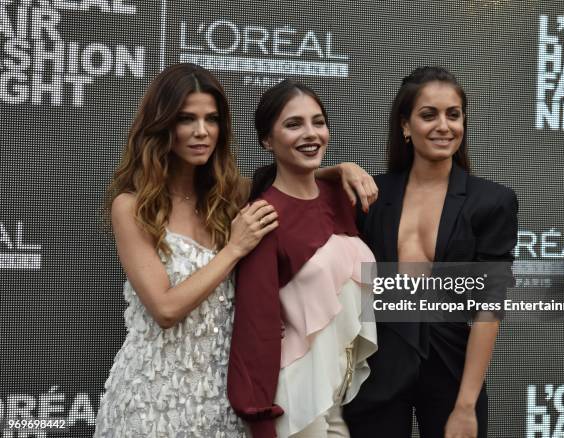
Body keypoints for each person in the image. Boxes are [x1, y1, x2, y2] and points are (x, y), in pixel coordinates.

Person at [94, 63, 376, 437]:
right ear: (163, 126)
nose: (201, 132)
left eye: (211, 119)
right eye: (186, 119)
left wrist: (342, 169)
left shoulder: (232, 195)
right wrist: (233, 249)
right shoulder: (132, 207)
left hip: (222, 398)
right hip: (153, 396)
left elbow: (291, 178)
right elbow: (164, 308)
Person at [343, 66, 518, 438]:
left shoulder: (493, 201)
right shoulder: (372, 195)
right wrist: (338, 170)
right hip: (377, 364)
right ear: (405, 126)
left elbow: (491, 305)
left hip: (452, 370)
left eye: (453, 114)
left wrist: (466, 404)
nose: (444, 125)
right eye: (429, 115)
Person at [227, 79, 378, 438]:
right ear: (267, 140)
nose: (311, 134)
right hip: (297, 398)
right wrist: (261, 418)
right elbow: (256, 331)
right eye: (294, 124)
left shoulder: (343, 198)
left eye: (318, 122)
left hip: (339, 397)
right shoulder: (263, 217)